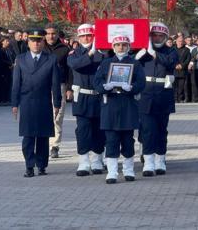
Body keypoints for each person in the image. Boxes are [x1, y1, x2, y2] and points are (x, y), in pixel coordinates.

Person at [94, 35, 146, 184]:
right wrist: (104, 87)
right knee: (111, 140)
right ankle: (112, 172)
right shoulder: (106, 63)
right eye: (118, 45)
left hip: (128, 104)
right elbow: (97, 81)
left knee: (128, 140)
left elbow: (141, 82)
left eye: (124, 45)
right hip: (110, 104)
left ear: (129, 47)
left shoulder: (135, 63)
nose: (121, 48)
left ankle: (128, 170)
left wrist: (132, 88)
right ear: (113, 47)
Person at [11, 28, 61, 178]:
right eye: (33, 41)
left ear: (43, 42)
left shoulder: (50, 59)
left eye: (39, 41)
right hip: (26, 102)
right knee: (28, 136)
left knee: (43, 136)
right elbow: (16, 83)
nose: (36, 44)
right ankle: (29, 166)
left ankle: (42, 165)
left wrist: (57, 103)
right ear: (28, 42)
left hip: (44, 101)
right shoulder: (20, 59)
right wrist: (15, 104)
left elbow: (55, 83)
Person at [136, 22, 178, 176]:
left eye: (161, 35)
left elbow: (170, 62)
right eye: (154, 35)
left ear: (165, 36)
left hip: (163, 94)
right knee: (147, 130)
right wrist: (137, 56)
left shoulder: (171, 51)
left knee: (161, 130)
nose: (157, 37)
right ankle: (148, 161)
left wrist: (153, 53)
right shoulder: (143, 52)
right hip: (146, 94)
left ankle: (160, 160)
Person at [67, 24, 107, 176]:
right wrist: (90, 53)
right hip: (82, 96)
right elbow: (74, 65)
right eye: (83, 36)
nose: (86, 38)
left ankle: (97, 159)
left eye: (89, 35)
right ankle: (83, 161)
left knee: (99, 129)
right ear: (78, 37)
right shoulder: (74, 53)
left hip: (98, 96)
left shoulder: (103, 53)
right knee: (83, 130)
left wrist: (97, 51)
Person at [42, 24, 73, 159]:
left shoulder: (65, 49)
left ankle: (54, 145)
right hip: (42, 86)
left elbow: (70, 70)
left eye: (53, 33)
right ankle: (43, 144)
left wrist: (69, 88)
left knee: (57, 117)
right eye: (48, 33)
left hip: (59, 86)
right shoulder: (39, 48)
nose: (51, 36)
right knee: (43, 116)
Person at [174, 36, 191, 103]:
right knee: (174, 86)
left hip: (183, 70)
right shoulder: (172, 49)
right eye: (179, 41)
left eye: (181, 41)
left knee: (181, 86)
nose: (180, 43)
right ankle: (174, 98)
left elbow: (188, 59)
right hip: (174, 70)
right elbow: (170, 58)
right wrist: (175, 65)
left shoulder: (187, 50)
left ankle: (180, 98)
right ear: (176, 41)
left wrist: (182, 65)